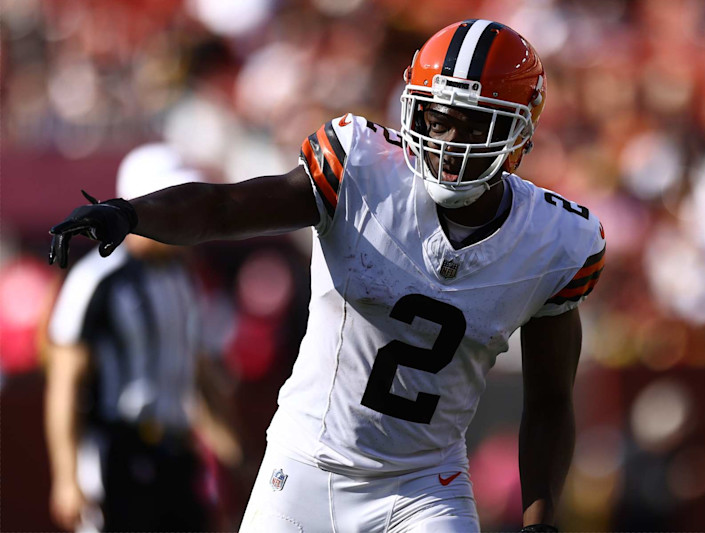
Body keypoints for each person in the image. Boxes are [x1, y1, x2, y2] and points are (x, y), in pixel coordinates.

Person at [49, 20, 605, 532]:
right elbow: (227, 208)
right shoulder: (362, 169)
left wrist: (541, 521)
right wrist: (133, 213)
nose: (448, 145)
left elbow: (552, 399)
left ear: (518, 133)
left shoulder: (556, 244)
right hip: (305, 466)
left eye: (472, 126)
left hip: (422, 486)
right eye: (438, 119)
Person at [45, 144, 240, 532]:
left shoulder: (182, 277)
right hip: (118, 455)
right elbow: (65, 382)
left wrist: (233, 447)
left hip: (177, 453)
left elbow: (193, 368)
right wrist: (66, 478)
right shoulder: (97, 280)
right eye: (167, 202)